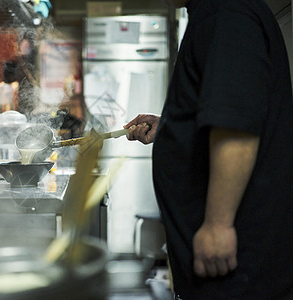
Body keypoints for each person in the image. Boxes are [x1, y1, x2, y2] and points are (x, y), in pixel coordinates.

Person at [125, 0, 293, 299]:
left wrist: (218, 225)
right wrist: (170, 128)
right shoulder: (217, 14)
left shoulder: (228, 13)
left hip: (237, 263)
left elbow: (236, 128)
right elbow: (221, 112)